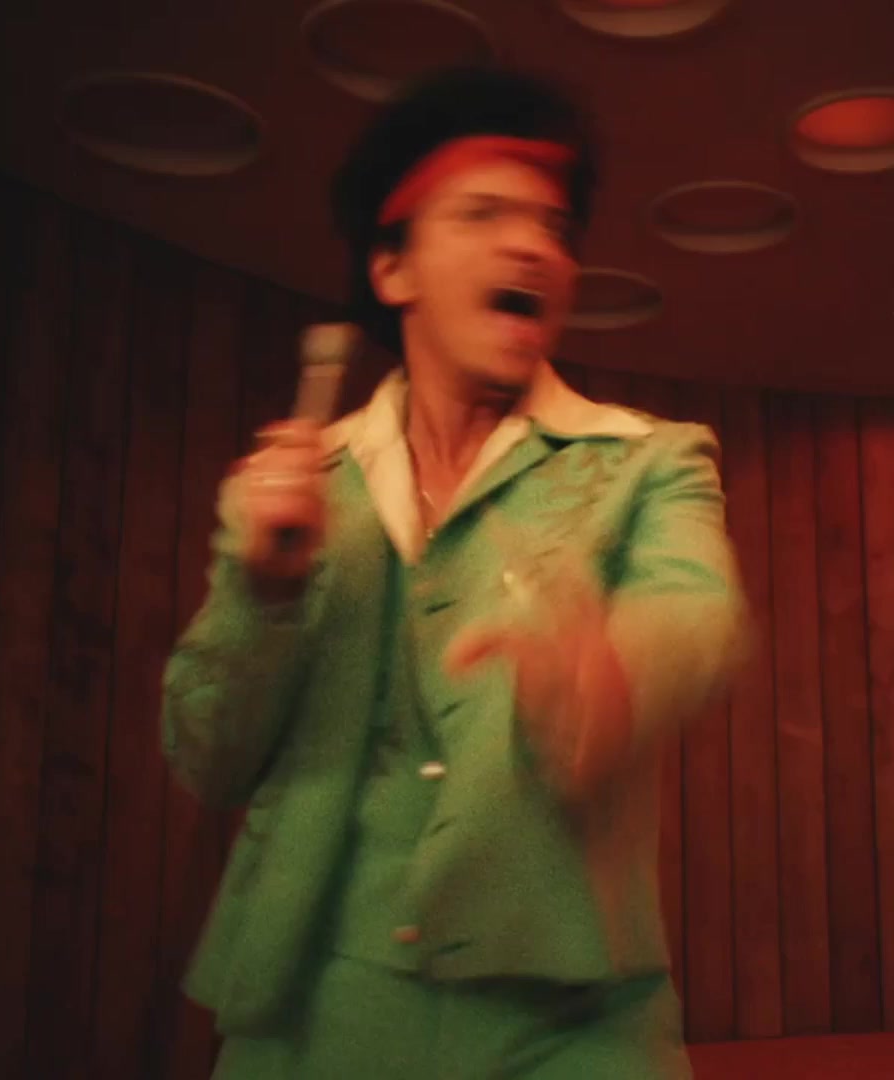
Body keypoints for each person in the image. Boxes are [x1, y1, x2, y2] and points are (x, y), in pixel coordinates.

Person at [160, 64, 747, 1079]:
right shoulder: (295, 489)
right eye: (483, 213)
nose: (533, 246)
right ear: (393, 269)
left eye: (553, 226)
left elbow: (697, 615)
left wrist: (609, 673)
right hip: (309, 1020)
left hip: (570, 1027)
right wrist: (263, 592)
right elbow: (207, 760)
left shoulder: (650, 461)